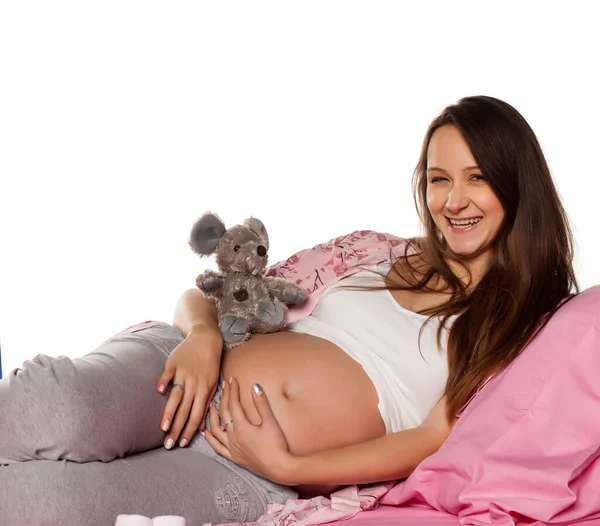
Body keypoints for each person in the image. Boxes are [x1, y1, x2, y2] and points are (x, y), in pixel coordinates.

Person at [0, 95, 578, 526]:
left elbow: (434, 438)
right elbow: (214, 294)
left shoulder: (525, 326)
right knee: (46, 405)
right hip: (180, 376)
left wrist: (287, 468)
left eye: (477, 178)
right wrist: (201, 337)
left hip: (248, 470)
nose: (453, 201)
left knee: (50, 505)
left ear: (516, 184)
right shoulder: (372, 252)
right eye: (438, 179)